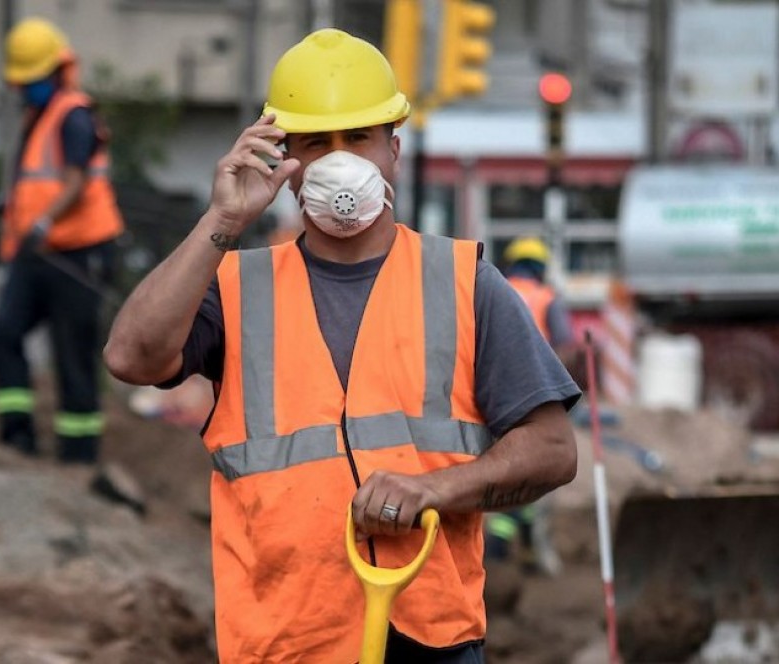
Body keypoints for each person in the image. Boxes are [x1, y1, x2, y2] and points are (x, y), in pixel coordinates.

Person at [104, 28, 579, 662]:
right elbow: (131, 358)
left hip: (429, 638)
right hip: (286, 641)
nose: (339, 161)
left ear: (394, 151)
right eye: (315, 144)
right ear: (283, 160)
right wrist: (221, 221)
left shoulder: (463, 281)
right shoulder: (236, 288)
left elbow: (551, 448)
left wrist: (437, 490)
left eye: (358, 138)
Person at [0, 18, 123, 463]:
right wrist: (11, 207)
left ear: (57, 71)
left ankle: (79, 456)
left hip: (78, 254)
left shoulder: (74, 116)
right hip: (35, 254)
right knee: (3, 332)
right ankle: (16, 436)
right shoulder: (37, 118)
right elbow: (36, 181)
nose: (26, 89)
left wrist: (44, 222)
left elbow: (76, 179)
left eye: (33, 80)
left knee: (73, 356)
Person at [485, 236, 582, 575]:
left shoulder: (493, 289)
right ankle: (503, 544)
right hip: (533, 394)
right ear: (541, 267)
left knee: (505, 462)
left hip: (492, 394)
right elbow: (566, 348)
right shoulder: (546, 298)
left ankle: (520, 545)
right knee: (535, 465)